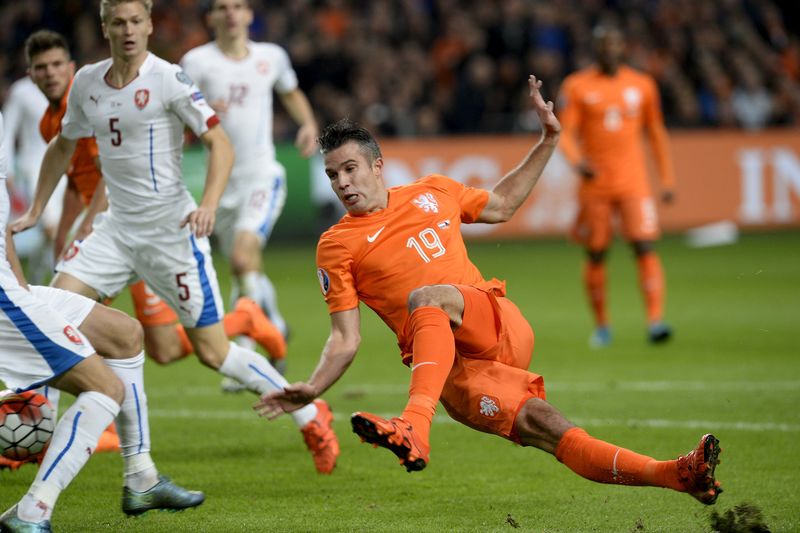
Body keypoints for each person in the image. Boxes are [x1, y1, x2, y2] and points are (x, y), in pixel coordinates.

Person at [255, 76, 722, 506]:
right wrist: (313, 388)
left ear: (378, 166)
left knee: (427, 296)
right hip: (455, 376)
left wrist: (549, 141)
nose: (342, 183)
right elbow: (345, 338)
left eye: (350, 169)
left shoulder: (431, 191)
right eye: (333, 175)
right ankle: (677, 476)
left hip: (496, 326)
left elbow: (500, 206)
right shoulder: (335, 245)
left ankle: (414, 426)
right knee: (552, 429)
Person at [12, 0, 338, 475]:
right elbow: (62, 145)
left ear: (148, 26)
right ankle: (36, 429)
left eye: (136, 22)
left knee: (213, 352)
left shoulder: (169, 78)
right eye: (118, 22)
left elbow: (218, 143)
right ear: (105, 27)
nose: (128, 31)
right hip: (115, 230)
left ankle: (311, 413)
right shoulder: (87, 83)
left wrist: (207, 204)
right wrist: (38, 208)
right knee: (49, 315)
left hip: (171, 234)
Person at [25, 28, 286, 375]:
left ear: (71, 67)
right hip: (112, 233)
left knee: (77, 321)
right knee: (159, 347)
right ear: (30, 74)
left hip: (128, 225)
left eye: (57, 65)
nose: (50, 74)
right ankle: (242, 320)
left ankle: (100, 416)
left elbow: (109, 171)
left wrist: (89, 221)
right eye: (41, 68)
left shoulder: (97, 99)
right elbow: (75, 181)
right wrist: (65, 231)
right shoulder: (50, 123)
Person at [0, 111, 204, 532]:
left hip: (11, 290)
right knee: (105, 388)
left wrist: (24, 292)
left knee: (125, 333)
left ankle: (141, 478)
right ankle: (32, 512)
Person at [180, 0, 319, 375]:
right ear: (211, 18)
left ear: (248, 15)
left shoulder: (271, 57)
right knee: (245, 269)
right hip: (220, 183)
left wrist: (307, 123)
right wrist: (203, 110)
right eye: (222, 7)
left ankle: (247, 348)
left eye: (237, 6)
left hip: (261, 175)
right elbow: (177, 113)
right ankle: (275, 322)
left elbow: (290, 92)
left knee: (243, 258)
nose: (230, 13)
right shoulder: (195, 63)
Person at [557, 24, 676, 348]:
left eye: (615, 43)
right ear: (595, 49)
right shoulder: (577, 86)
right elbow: (565, 132)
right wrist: (577, 161)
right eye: (603, 44)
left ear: (623, 47)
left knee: (644, 245)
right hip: (595, 185)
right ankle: (602, 326)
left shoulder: (642, 84)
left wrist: (666, 179)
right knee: (596, 253)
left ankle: (655, 321)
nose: (610, 50)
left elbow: (656, 133)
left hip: (634, 184)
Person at [1, 74, 69, 285]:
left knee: (52, 232)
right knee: (51, 227)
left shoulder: (66, 86)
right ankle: (60, 286)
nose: (49, 70)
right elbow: (8, 131)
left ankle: (36, 281)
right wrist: (8, 171)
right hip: (34, 169)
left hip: (64, 168)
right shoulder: (21, 91)